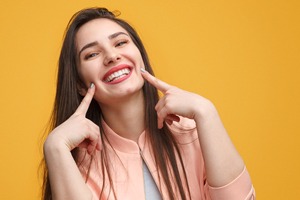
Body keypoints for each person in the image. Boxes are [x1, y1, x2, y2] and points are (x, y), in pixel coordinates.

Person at [41, 7, 255, 200]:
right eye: (92, 54)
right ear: (79, 84)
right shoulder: (77, 164)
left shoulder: (195, 133)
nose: (112, 56)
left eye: (120, 42)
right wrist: (55, 147)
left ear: (140, 57)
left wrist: (207, 112)